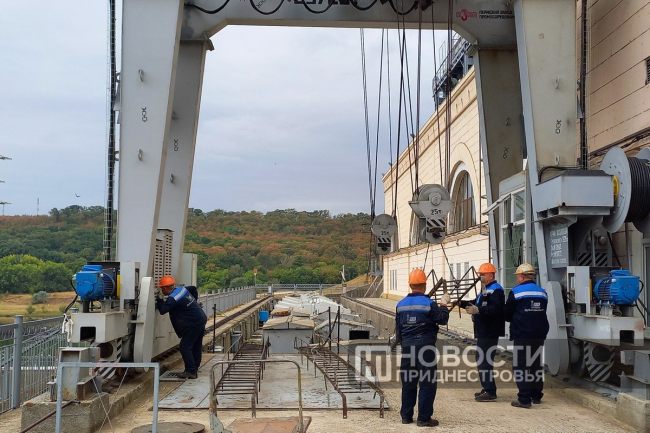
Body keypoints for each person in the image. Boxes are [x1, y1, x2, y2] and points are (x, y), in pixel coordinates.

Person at [396, 269, 450, 427]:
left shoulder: (400, 305)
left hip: (408, 348)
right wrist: (444, 304)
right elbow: (442, 319)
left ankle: (406, 416)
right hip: (425, 347)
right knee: (427, 383)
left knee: (408, 383)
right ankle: (424, 418)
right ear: (424, 285)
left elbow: (398, 330)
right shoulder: (429, 303)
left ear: (410, 285)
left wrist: (405, 344)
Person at [503, 263, 549, 408]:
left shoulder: (516, 292)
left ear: (522, 277)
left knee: (521, 366)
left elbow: (507, 314)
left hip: (522, 333)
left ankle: (524, 399)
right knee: (535, 364)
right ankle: (536, 395)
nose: (517, 279)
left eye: (517, 276)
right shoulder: (542, 292)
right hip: (539, 333)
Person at [458, 262, 505, 402]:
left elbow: (496, 308)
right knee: (482, 359)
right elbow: (476, 302)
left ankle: (490, 391)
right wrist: (460, 303)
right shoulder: (485, 289)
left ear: (491, 275)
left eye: (483, 274)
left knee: (484, 360)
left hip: (490, 330)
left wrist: (478, 310)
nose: (481, 277)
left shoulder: (496, 290)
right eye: (480, 275)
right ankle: (487, 388)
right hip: (484, 330)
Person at [156, 275, 208, 379]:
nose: (161, 290)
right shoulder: (182, 289)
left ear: (165, 288)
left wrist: (160, 299)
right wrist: (194, 301)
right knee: (196, 345)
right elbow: (193, 288)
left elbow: (163, 310)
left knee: (184, 347)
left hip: (194, 323)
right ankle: (195, 367)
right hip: (201, 318)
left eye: (161, 288)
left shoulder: (173, 298)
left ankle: (190, 371)